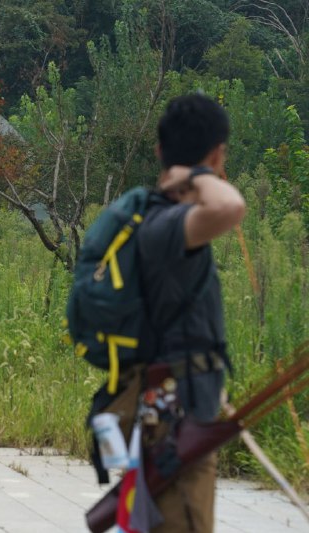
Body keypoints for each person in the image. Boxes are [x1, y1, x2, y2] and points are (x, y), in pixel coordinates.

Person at [137, 93, 246, 532]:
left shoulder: (151, 217)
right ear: (219, 154)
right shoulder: (168, 225)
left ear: (159, 150)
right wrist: (199, 174)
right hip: (174, 423)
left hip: (161, 412)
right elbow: (229, 207)